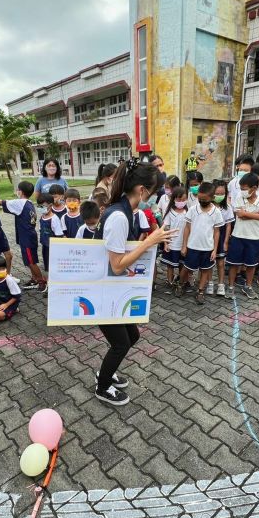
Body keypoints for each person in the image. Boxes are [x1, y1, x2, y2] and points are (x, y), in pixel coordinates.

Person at [94, 159, 176, 406]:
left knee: (131, 336)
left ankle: (105, 372)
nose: (153, 196)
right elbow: (117, 264)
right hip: (103, 291)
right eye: (152, 192)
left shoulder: (125, 210)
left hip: (113, 288)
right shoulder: (119, 216)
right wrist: (150, 241)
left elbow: (127, 250)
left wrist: (153, 242)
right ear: (141, 190)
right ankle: (102, 386)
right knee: (121, 343)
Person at [0, 181, 47, 292]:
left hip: (27, 238)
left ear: (20, 191)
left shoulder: (20, 202)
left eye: (17, 190)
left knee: (31, 261)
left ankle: (42, 282)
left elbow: (2, 202)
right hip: (29, 236)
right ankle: (34, 279)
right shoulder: (28, 203)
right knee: (29, 260)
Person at [176, 181, 224, 304]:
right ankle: (180, 284)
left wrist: (214, 249)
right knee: (186, 268)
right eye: (200, 199)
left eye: (205, 199)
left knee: (205, 270)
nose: (202, 201)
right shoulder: (192, 209)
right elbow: (187, 228)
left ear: (212, 198)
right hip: (192, 247)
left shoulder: (216, 212)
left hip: (207, 248)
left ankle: (200, 291)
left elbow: (217, 232)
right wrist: (184, 245)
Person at [225, 172, 259, 300]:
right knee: (234, 264)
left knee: (251, 264)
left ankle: (248, 286)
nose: (242, 191)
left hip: (254, 238)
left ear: (254, 188)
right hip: (238, 236)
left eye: (244, 188)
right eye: (241, 188)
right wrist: (257, 214)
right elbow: (239, 215)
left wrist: (247, 214)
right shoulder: (239, 197)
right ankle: (231, 286)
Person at [160, 187, 188, 287]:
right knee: (170, 265)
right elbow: (165, 229)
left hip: (183, 245)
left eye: (184, 200)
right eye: (178, 200)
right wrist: (166, 243)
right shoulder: (170, 213)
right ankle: (169, 281)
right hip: (172, 244)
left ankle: (181, 282)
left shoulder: (188, 213)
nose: (181, 202)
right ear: (174, 200)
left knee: (182, 264)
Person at [211, 180, 234, 296]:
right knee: (209, 263)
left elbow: (228, 225)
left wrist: (225, 242)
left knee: (221, 263)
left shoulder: (227, 208)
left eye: (222, 194)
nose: (219, 196)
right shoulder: (208, 207)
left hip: (221, 236)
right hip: (209, 237)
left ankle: (220, 284)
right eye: (217, 193)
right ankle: (209, 283)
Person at [37, 193, 64, 272]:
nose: (41, 208)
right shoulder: (42, 217)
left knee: (53, 265)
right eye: (39, 206)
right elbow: (40, 229)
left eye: (43, 206)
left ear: (50, 205)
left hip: (53, 247)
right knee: (47, 263)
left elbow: (59, 235)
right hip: (45, 245)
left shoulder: (54, 219)